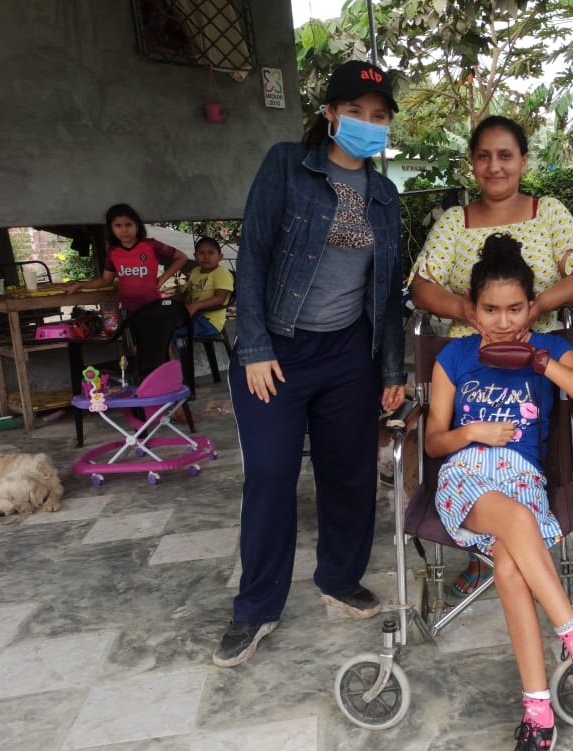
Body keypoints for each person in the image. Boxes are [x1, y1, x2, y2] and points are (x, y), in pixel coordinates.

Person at [211, 59, 406, 667]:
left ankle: (339, 579)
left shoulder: (385, 196)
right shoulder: (286, 167)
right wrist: (255, 346)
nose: (367, 123)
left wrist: (392, 372)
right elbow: (253, 256)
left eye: (379, 115)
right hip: (278, 349)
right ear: (330, 114)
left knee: (349, 473)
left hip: (349, 352)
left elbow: (388, 292)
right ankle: (256, 607)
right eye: (355, 111)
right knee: (271, 475)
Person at [427, 232, 573, 751]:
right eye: (490, 309)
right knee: (515, 523)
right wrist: (472, 431)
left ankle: (538, 721)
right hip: (466, 478)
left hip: (523, 479)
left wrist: (541, 359)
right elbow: (435, 441)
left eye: (515, 308)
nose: (503, 321)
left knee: (512, 568)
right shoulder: (454, 357)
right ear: (472, 310)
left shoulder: (546, 349)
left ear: (531, 306)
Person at [410, 115, 573, 596]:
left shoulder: (548, 213)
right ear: (472, 163)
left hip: (539, 356)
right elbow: (422, 286)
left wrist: (536, 308)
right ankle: (489, 548)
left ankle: (508, 543)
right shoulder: (455, 222)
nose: (495, 166)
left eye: (506, 155)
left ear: (524, 161)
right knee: (474, 454)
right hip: (468, 358)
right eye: (484, 156)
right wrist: (468, 312)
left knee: (534, 451)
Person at [53, 203, 187, 313]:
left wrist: (161, 279)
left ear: (137, 225)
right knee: (133, 339)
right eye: (118, 226)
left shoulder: (151, 245)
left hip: (153, 307)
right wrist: (80, 285)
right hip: (128, 310)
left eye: (128, 224)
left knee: (157, 339)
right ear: (111, 228)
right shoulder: (113, 252)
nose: (124, 230)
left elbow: (181, 258)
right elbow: (106, 280)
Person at [180, 236, 234, 340]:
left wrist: (195, 306)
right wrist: (163, 300)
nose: (206, 257)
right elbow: (185, 295)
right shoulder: (195, 271)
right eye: (201, 253)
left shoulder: (222, 273)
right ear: (195, 256)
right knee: (163, 324)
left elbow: (219, 299)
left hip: (209, 322)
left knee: (169, 331)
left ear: (220, 256)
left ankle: (171, 351)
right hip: (192, 316)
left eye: (211, 253)